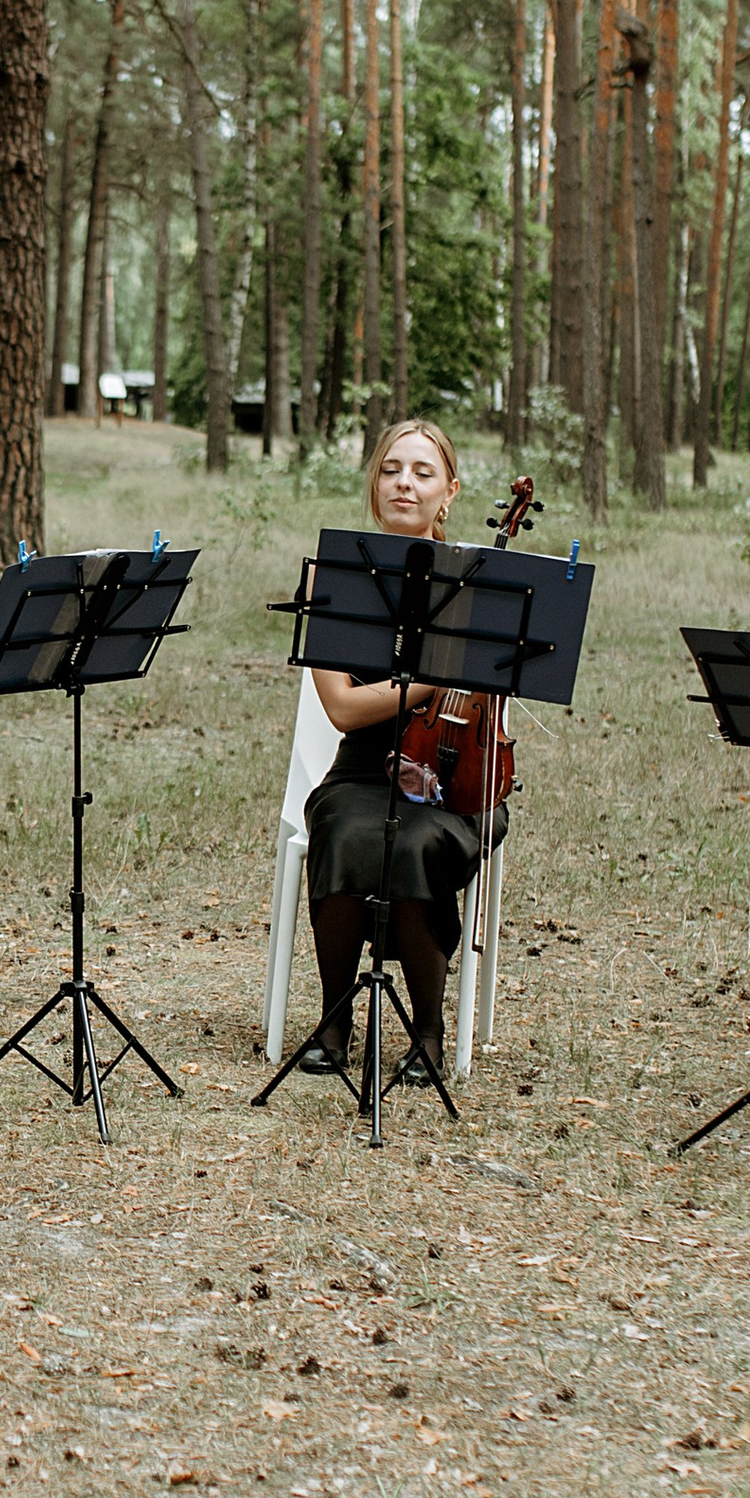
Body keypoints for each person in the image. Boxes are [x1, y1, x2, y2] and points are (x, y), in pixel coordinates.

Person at [297, 416, 503, 1086]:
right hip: (362, 766)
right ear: (373, 484)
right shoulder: (333, 581)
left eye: (422, 472)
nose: (404, 484)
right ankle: (334, 1019)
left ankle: (429, 1030)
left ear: (450, 492)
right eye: (391, 470)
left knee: (417, 843)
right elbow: (344, 708)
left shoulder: (487, 588)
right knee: (346, 827)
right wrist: (429, 682)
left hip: (456, 775)